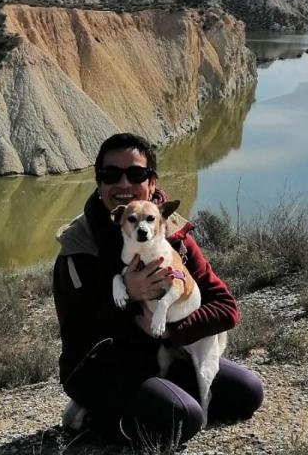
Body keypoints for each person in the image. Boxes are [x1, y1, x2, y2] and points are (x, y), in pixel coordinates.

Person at [52, 132, 263, 446]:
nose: (123, 184)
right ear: (99, 183)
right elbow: (77, 336)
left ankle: (162, 394)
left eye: (135, 174)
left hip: (163, 354)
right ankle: (91, 413)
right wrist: (130, 295)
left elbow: (225, 307)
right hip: (99, 367)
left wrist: (171, 334)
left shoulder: (173, 236)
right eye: (111, 175)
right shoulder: (79, 247)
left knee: (247, 392)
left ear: (152, 183)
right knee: (183, 419)